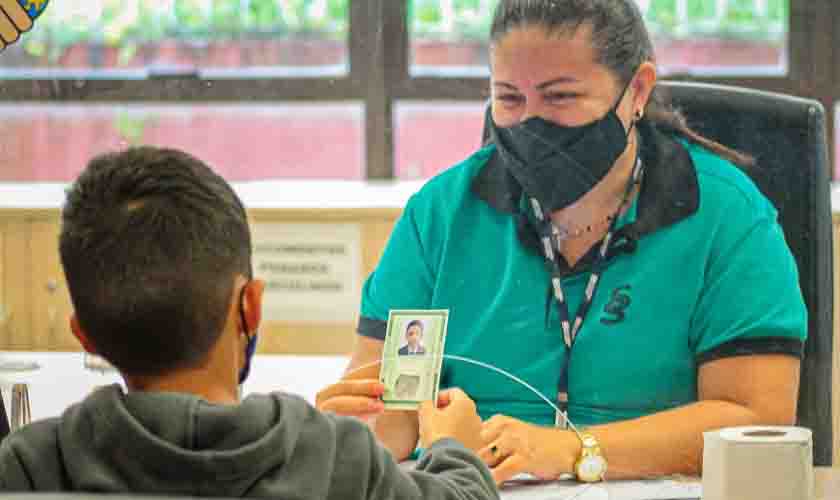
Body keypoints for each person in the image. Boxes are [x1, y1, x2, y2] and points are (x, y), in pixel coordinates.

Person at [316, 0, 806, 485]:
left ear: (636, 90)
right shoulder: (442, 215)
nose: (531, 124)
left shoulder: (725, 215)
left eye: (560, 98)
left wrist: (570, 449)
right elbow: (394, 404)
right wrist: (365, 430)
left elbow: (755, 416)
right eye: (509, 98)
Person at [0, 146, 499, 500]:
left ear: (83, 335)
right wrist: (455, 446)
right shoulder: (329, 459)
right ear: (251, 307)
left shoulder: (32, 465)